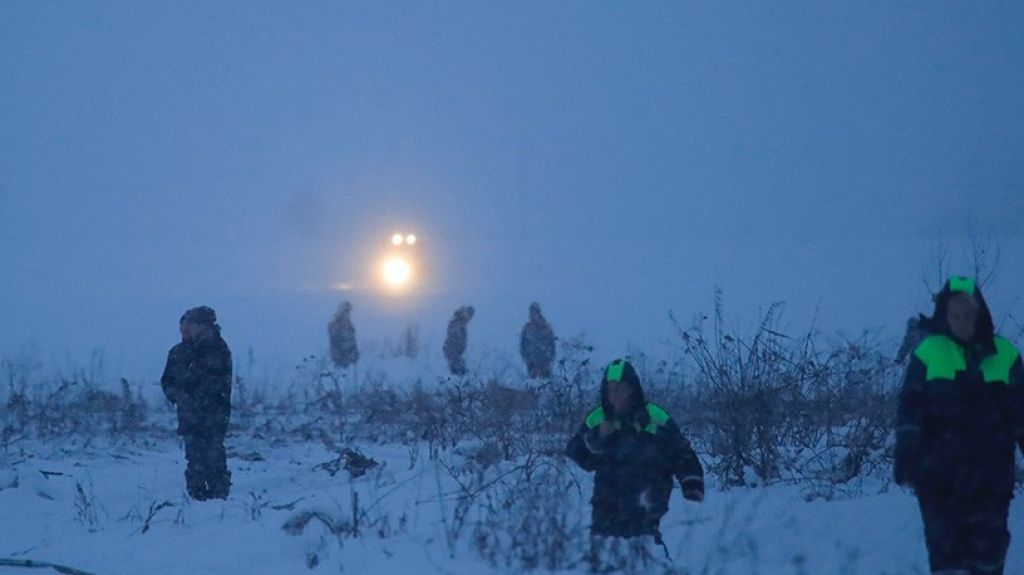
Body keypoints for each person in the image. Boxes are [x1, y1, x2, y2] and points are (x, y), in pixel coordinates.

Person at [895, 276, 1024, 575]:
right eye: (956, 316)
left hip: (991, 480)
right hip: (939, 480)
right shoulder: (928, 354)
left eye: (968, 315)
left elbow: (1021, 415)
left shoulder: (1005, 356)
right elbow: (910, 413)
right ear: (946, 316)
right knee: (947, 561)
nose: (963, 322)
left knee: (988, 559)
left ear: (980, 315)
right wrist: (905, 457)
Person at [566, 359, 704, 571]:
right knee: (604, 559)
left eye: (621, 389)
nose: (615, 396)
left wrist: (691, 482)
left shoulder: (654, 417)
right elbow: (576, 452)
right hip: (606, 505)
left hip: (646, 502)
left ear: (633, 389)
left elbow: (681, 452)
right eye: (611, 390)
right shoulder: (598, 418)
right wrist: (598, 438)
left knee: (647, 558)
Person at [161, 306, 233, 500]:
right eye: (183, 325)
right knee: (194, 458)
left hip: (214, 415)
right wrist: (179, 396)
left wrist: (187, 388)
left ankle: (219, 498)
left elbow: (208, 381)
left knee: (213, 456)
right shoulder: (178, 352)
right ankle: (198, 498)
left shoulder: (217, 349)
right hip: (189, 416)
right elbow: (168, 381)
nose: (185, 329)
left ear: (202, 326)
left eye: (189, 324)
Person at [520, 302, 556, 379]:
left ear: (538, 313)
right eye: (530, 312)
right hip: (531, 364)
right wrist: (527, 359)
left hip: (544, 363)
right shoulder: (527, 328)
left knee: (546, 383)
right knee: (533, 383)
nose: (531, 315)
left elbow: (552, 345)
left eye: (534, 312)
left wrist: (549, 359)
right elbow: (523, 346)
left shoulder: (546, 327)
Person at [443, 306, 474, 376]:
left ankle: (459, 377)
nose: (469, 320)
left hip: (456, 351)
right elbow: (453, 335)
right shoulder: (456, 322)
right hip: (452, 350)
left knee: (460, 371)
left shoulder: (461, 325)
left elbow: (462, 339)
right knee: (457, 371)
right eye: (469, 316)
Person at [328, 301, 360, 369]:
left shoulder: (349, 323)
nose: (348, 313)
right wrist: (338, 355)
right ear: (341, 310)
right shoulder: (335, 323)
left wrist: (355, 351)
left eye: (349, 311)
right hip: (340, 356)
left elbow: (352, 339)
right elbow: (334, 341)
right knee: (340, 373)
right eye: (346, 310)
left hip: (350, 355)